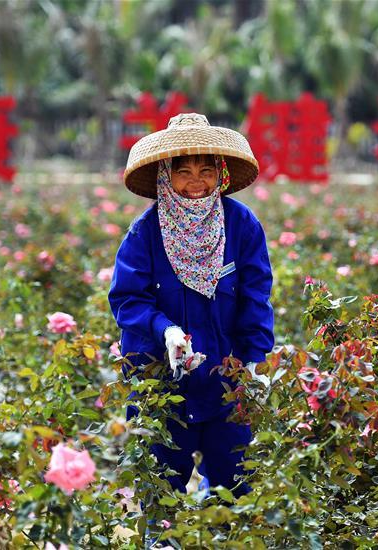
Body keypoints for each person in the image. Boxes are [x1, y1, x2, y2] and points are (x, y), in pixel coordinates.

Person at [108, 112, 275, 498]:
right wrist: (163, 329)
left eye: (205, 169)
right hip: (162, 381)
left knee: (234, 488)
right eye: (183, 171)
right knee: (161, 487)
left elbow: (256, 295)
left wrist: (254, 361)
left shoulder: (241, 224)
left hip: (226, 379)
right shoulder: (145, 232)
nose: (195, 182)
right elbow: (127, 298)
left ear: (221, 174)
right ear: (166, 176)